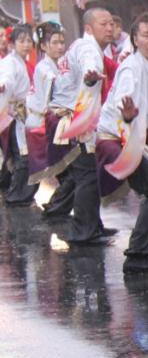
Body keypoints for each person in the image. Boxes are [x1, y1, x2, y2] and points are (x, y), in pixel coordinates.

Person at [94, 13, 148, 273]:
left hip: (133, 137)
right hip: (118, 139)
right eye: (145, 35)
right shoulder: (132, 67)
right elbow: (124, 100)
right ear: (134, 40)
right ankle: (137, 256)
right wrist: (128, 114)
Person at [50, 7, 117, 246]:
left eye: (111, 23)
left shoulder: (82, 45)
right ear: (89, 28)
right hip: (76, 120)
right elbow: (90, 67)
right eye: (103, 24)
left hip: (74, 118)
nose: (109, 28)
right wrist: (90, 75)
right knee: (87, 177)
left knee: (87, 176)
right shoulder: (88, 48)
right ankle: (83, 232)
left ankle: (92, 226)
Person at [25, 23, 73, 215]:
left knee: (67, 171)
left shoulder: (56, 65)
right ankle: (55, 208)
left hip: (51, 122)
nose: (60, 46)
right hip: (43, 124)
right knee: (67, 171)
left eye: (62, 42)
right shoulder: (45, 69)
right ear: (44, 46)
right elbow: (53, 97)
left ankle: (56, 207)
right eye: (55, 42)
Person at [0, 24, 36, 205]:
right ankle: (16, 195)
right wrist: (3, 86)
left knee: (21, 154)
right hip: (13, 116)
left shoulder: (22, 62)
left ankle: (17, 193)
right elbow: (6, 79)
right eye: (22, 41)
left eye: (29, 41)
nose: (26, 44)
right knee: (22, 155)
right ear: (12, 44)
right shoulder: (9, 62)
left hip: (22, 114)